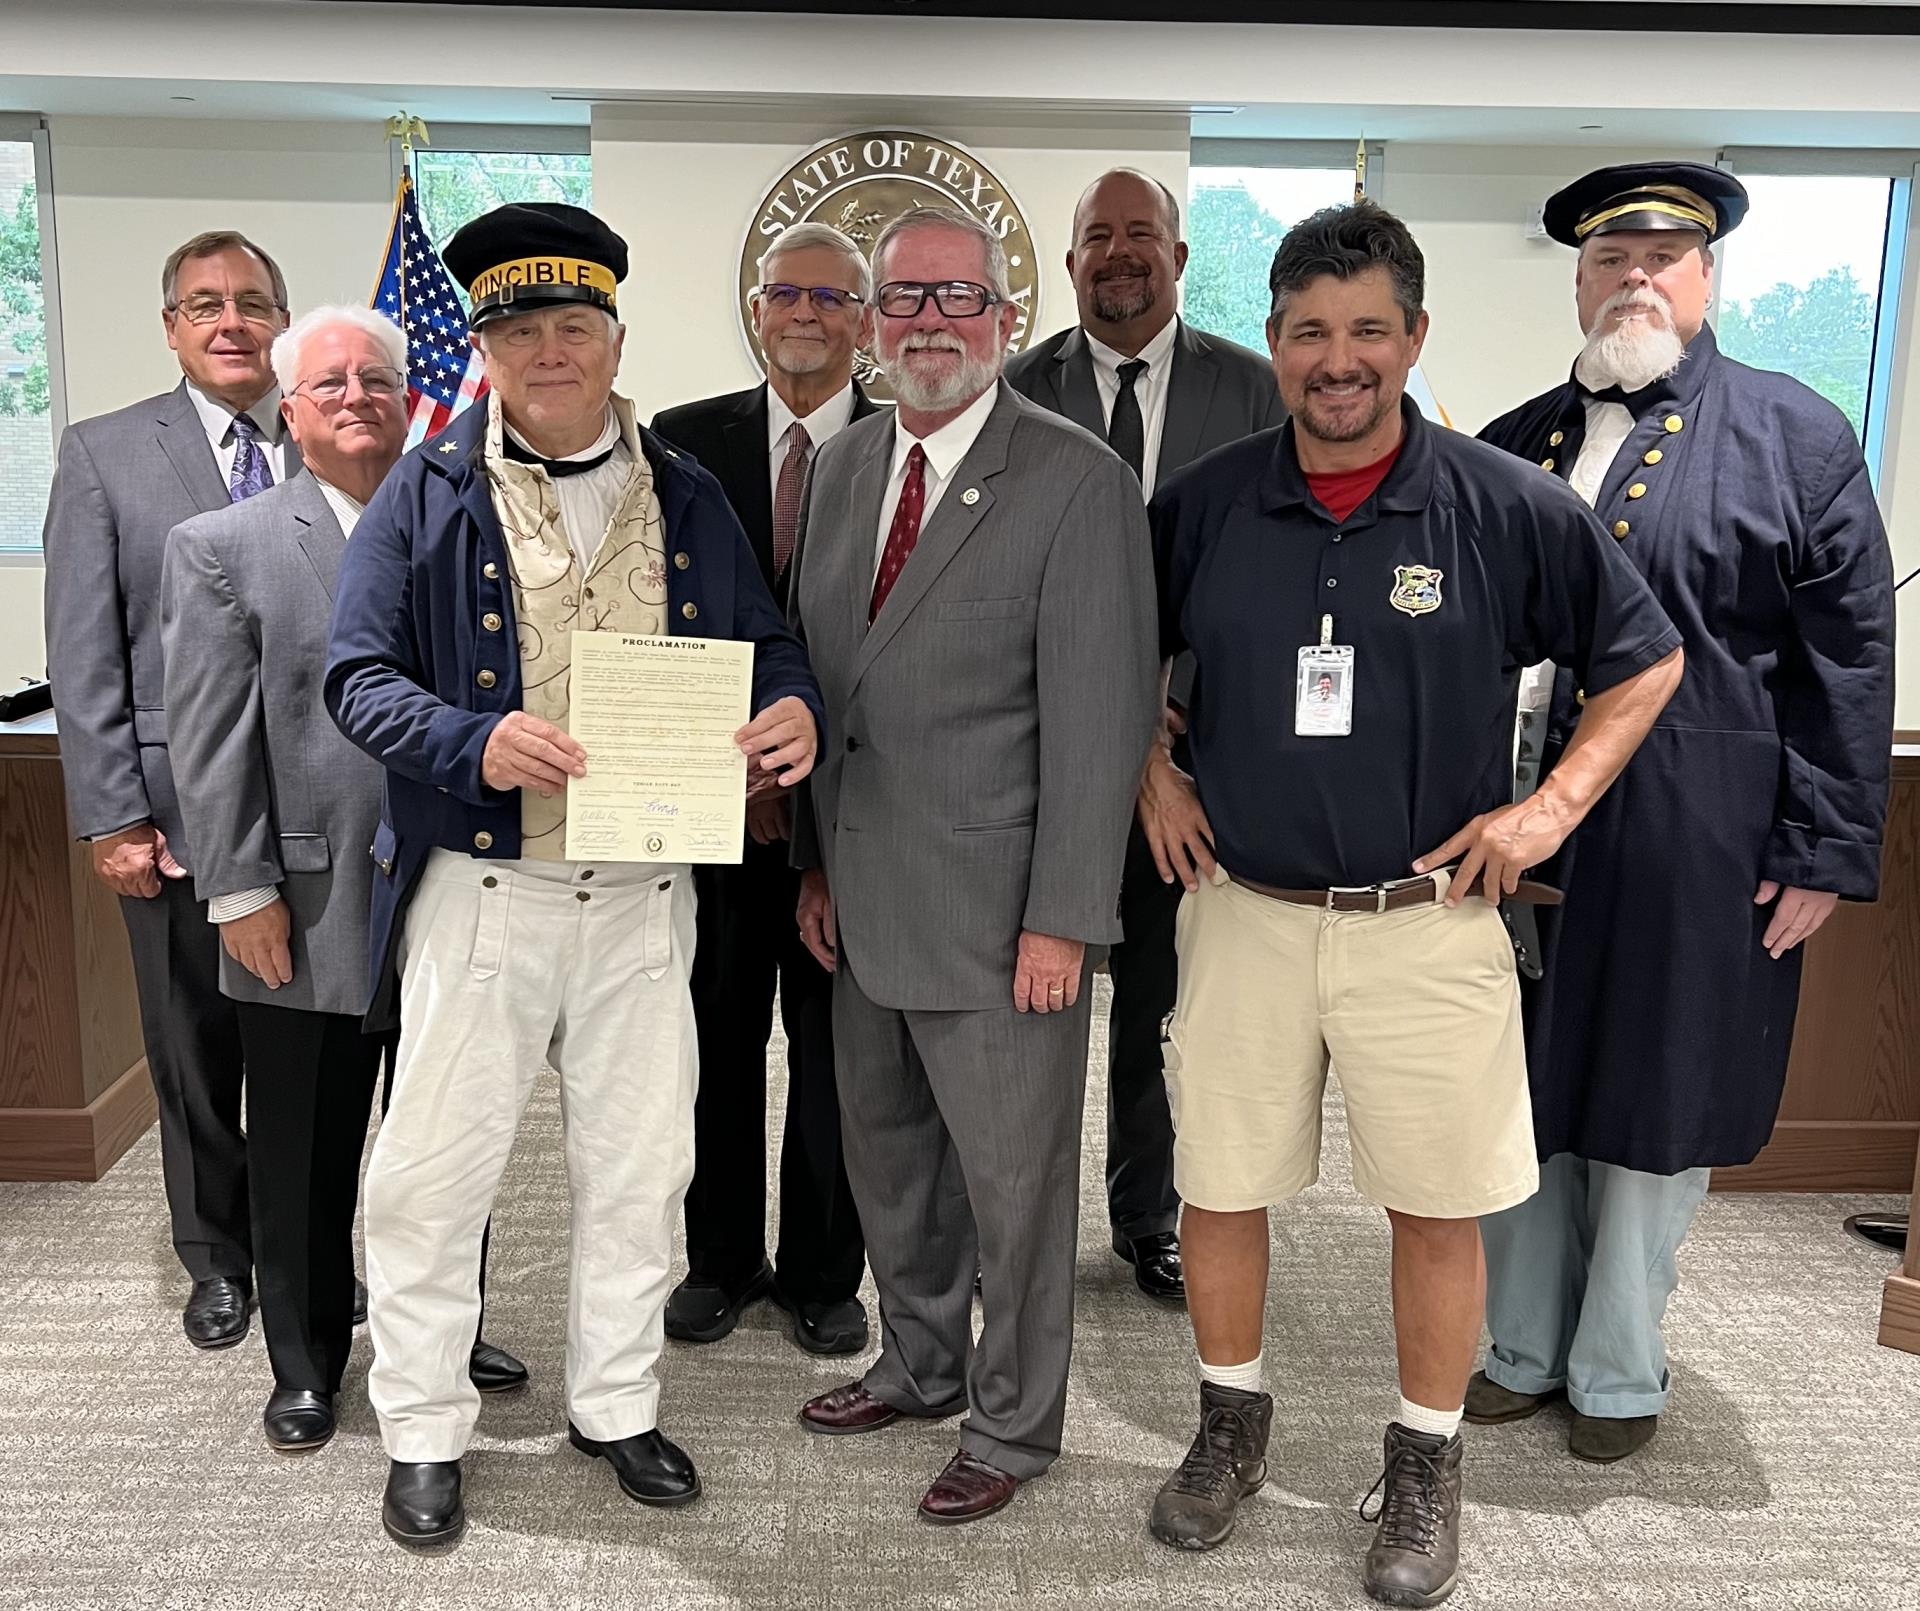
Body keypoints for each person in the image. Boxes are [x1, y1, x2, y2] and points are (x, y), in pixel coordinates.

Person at [1138, 201, 1684, 1605]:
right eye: (1311, 332)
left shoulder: (1506, 506)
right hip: (1244, 908)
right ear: (1273, 345)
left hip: (1428, 918)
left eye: (1368, 330)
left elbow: (1644, 660)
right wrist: (1150, 767)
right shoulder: (1201, 504)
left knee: (1439, 1206)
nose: (1339, 359)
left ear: (1414, 338)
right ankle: (1229, 1423)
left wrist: (1545, 808)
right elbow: (1107, 649)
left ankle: (1427, 1462)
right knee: (1219, 1182)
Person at [325, 202, 824, 1549]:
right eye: (515, 328)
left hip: (647, 900)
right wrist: (471, 740)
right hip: (484, 899)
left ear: (613, 335)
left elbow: (769, 645)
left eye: (570, 324)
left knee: (640, 1168)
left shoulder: (690, 491)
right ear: (482, 346)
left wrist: (795, 715)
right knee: (432, 1177)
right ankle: (424, 1422)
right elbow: (355, 677)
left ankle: (614, 1399)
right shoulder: (422, 492)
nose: (547, 350)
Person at [1470, 163, 1894, 1465]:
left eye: (1666, 256)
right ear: (1582, 279)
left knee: (1655, 1098)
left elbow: (1850, 652)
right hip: (1517, 842)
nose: (1637, 277)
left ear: (1708, 277)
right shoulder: (1511, 435)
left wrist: (1823, 845)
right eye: (1614, 259)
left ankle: (1614, 1367)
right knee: (1516, 1093)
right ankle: (1520, 1345)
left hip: (1694, 845)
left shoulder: (1796, 435)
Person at [787, 207, 1158, 1524]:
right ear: (872, 323)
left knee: (1013, 1194)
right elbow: (834, 696)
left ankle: (1011, 1421)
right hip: (863, 906)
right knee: (891, 1169)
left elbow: (1104, 720)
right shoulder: (841, 472)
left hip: (1007, 923)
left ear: (1006, 318)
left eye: (960, 296)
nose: (930, 320)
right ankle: (921, 1358)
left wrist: (1066, 917)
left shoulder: (1075, 479)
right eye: (905, 299)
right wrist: (816, 868)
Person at [162, 304, 527, 1455]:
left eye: (377, 376)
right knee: (306, 1149)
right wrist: (237, 892)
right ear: (289, 411)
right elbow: (210, 743)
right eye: (330, 385)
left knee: (448, 1138)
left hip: (453, 893)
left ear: (409, 392)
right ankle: (309, 1358)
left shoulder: (470, 526)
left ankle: (443, 1332)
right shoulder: (225, 548)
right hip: (304, 904)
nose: (359, 396)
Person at [1006, 167, 1286, 1303]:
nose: (1119, 254)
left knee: (1172, 1005)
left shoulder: (1260, 392)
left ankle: (1148, 1215)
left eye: (1142, 236)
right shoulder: (1012, 390)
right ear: (1069, 264)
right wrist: (1116, 729)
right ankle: (1018, 1224)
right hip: (1044, 762)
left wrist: (1170, 712)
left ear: (1178, 256)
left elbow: (1271, 571)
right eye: (1095, 238)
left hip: (1204, 760)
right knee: (1036, 992)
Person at [42, 231, 292, 1349]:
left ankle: (305, 1245)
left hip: (320, 816)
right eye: (206, 305)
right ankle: (217, 1254)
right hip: (174, 815)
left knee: (311, 1052)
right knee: (194, 1045)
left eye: (251, 302)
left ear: (283, 319)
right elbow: (85, 651)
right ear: (172, 326)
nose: (231, 321)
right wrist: (111, 817)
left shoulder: (339, 433)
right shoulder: (103, 453)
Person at [650, 222, 882, 1355]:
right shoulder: (678, 446)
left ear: (866, 321)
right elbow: (650, 626)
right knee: (714, 1037)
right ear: (756, 306)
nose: (806, 313)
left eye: (833, 299)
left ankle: (824, 1274)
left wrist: (820, 798)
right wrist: (718, 772)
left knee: (839, 1052)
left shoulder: (909, 452)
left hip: (853, 816)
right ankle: (721, 1258)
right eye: (786, 293)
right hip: (707, 810)